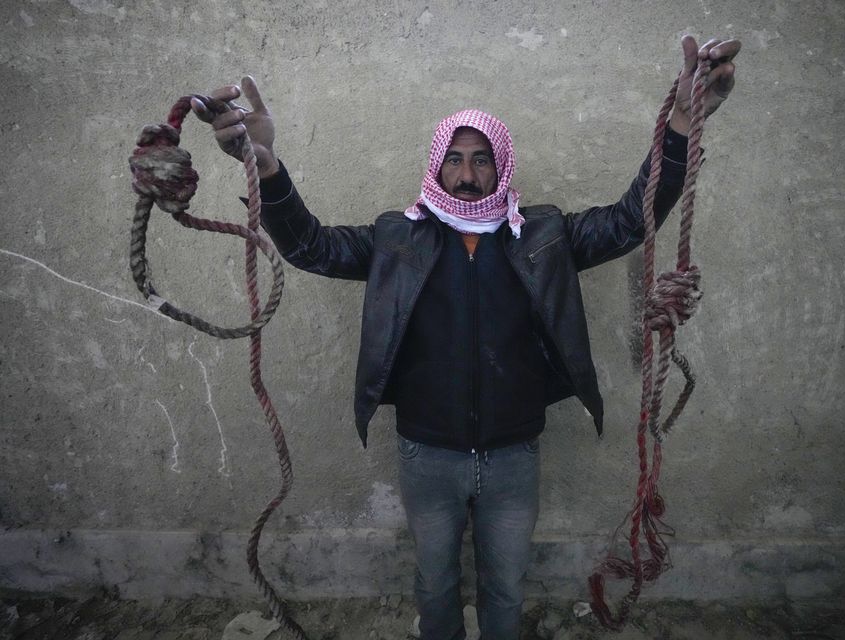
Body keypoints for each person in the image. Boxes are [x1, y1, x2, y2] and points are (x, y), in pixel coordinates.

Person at [193, 34, 739, 640]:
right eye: (454, 159)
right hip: (428, 455)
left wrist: (684, 123)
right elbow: (309, 247)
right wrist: (264, 167)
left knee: (506, 586)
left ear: (500, 166)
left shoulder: (543, 235)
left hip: (514, 455)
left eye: (482, 159)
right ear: (436, 166)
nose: (467, 174)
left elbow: (627, 220)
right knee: (436, 584)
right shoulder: (397, 239)